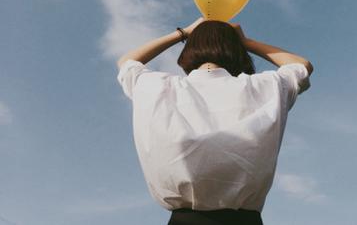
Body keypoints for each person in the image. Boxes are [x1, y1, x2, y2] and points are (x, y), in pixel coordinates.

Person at [116, 17, 314, 225]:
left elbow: (127, 63)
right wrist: (244, 42)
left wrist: (182, 33)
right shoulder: (263, 86)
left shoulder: (159, 88)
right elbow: (301, 65)